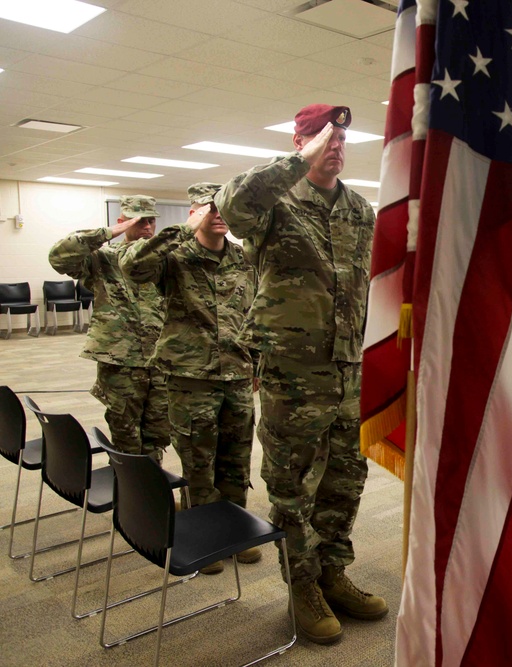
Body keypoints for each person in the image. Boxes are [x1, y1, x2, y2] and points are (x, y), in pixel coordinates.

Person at [215, 104, 387, 644]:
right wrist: (301, 157)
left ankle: (334, 572)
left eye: (341, 137)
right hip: (294, 372)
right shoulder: (273, 202)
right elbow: (232, 204)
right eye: (321, 135)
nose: (334, 143)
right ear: (299, 139)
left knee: (346, 478)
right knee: (293, 484)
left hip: (350, 368)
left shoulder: (360, 209)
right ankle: (303, 585)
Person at [121, 184, 260, 574]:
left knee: (236, 457)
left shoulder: (242, 258)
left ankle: (235, 530)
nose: (217, 213)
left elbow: (254, 311)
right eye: (207, 208)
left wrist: (258, 363)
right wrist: (181, 231)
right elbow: (132, 268)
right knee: (199, 457)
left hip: (236, 372)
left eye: (222, 207)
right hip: (189, 375)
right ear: (192, 213)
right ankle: (205, 533)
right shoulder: (174, 257)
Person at [48, 196, 169, 462]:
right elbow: (59, 257)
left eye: (151, 220)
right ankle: (129, 495)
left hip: (161, 361)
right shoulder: (104, 258)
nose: (147, 226)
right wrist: (107, 234)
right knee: (125, 433)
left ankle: (152, 491)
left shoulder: (164, 261)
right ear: (122, 222)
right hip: (120, 361)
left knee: (158, 433)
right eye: (139, 220)